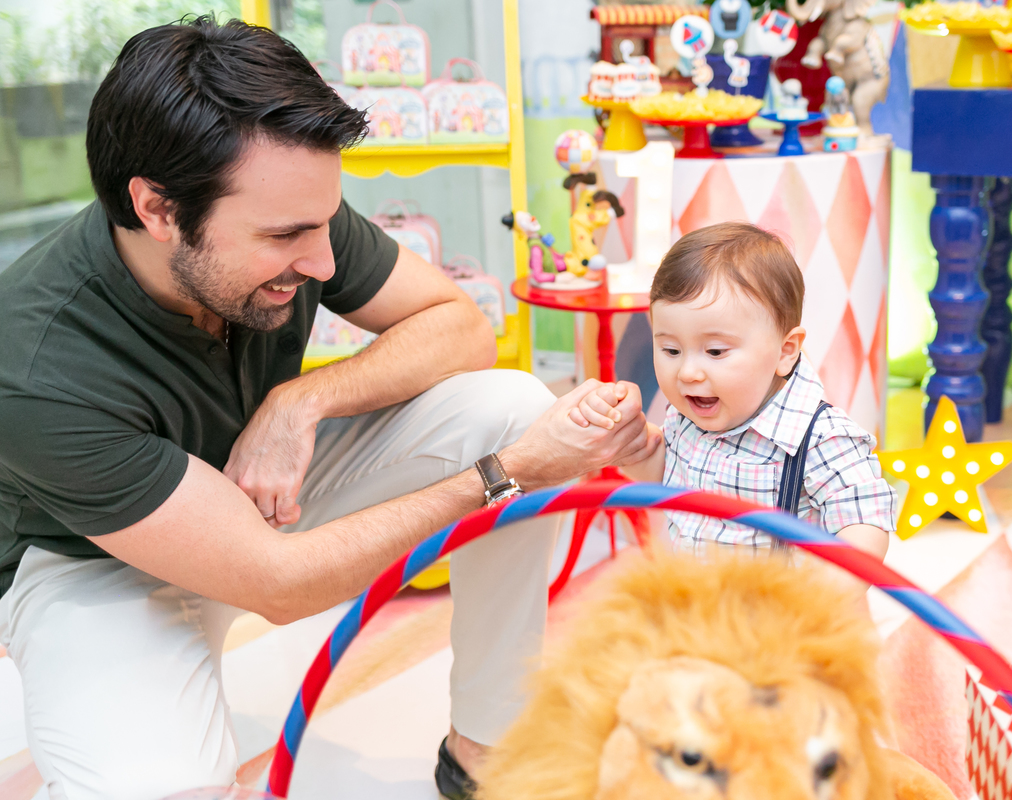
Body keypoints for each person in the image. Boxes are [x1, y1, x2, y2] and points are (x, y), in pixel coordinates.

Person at [0, 17, 655, 800]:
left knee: (509, 402)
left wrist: (303, 397)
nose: (318, 262)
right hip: (94, 564)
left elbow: (461, 327)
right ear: (158, 209)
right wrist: (506, 475)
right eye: (285, 237)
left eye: (322, 226)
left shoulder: (287, 206)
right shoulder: (32, 362)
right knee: (166, 787)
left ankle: (486, 748)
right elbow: (279, 587)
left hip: (260, 492)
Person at [568, 222, 895, 560]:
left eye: (715, 352)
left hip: (782, 607)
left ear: (784, 351)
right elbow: (666, 472)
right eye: (671, 350)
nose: (688, 372)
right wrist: (623, 437)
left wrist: (821, 591)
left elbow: (865, 520)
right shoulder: (687, 418)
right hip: (704, 602)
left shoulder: (821, 439)